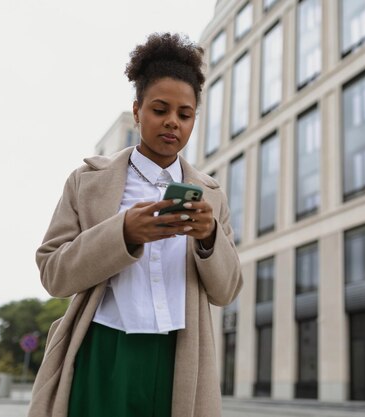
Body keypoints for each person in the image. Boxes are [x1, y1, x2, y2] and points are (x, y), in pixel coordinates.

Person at [27, 32, 243, 417]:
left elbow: (226, 292)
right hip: (102, 351)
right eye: (160, 110)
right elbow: (53, 274)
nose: (172, 123)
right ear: (138, 109)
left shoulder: (210, 196)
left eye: (185, 114)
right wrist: (122, 234)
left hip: (181, 358)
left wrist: (209, 238)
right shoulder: (87, 181)